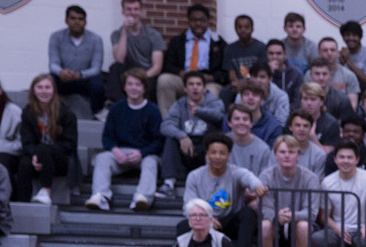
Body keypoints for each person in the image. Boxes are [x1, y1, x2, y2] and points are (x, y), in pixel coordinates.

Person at [89, 70, 162, 212]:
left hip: (145, 154)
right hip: (120, 153)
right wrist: (115, 151)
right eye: (130, 84)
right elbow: (107, 137)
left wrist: (142, 153)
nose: (133, 88)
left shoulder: (153, 110)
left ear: (144, 88)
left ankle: (143, 197)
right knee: (102, 158)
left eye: (138, 85)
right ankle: (101, 196)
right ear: (124, 87)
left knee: (151, 163)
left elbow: (159, 142)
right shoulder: (116, 108)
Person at [261, 135, 319, 247]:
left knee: (303, 226)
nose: (287, 155)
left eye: (292, 152)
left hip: (298, 222)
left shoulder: (310, 178)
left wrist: (292, 216)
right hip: (275, 222)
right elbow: (265, 208)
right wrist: (277, 216)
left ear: (298, 155)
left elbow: (312, 213)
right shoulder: (266, 176)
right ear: (275, 155)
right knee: (265, 225)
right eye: (283, 152)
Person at [13, 75, 76, 206]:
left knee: (43, 149)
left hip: (62, 160)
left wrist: (42, 153)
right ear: (33, 90)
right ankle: (22, 203)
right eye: (40, 87)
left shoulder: (66, 112)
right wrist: (36, 156)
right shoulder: (28, 112)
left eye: (48, 87)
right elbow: (27, 142)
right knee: (24, 163)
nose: (44, 91)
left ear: (54, 90)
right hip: (37, 157)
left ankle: (46, 192)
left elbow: (70, 145)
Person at [162, 70, 226, 188]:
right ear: (185, 89)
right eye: (191, 84)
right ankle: (168, 184)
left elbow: (219, 115)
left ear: (204, 88)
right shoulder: (179, 104)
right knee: (170, 140)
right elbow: (166, 125)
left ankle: (213, 184)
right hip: (187, 145)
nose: (195, 88)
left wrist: (199, 111)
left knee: (215, 139)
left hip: (206, 146)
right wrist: (182, 136)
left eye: (198, 84)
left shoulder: (214, 102)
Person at [49, 5, 107, 114]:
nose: (77, 22)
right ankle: (50, 114)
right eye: (73, 18)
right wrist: (61, 72)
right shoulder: (56, 37)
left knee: (98, 84)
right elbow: (53, 64)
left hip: (84, 80)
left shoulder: (96, 39)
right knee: (48, 81)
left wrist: (79, 74)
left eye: (81, 19)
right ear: (66, 20)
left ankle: (98, 115)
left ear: (85, 22)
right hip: (63, 79)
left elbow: (96, 68)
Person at [109, 0, 165, 107]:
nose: (132, 12)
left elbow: (157, 67)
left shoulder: (153, 35)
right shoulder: (117, 34)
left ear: (141, 12)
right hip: (127, 72)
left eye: (136, 9)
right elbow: (119, 59)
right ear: (123, 12)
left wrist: (140, 77)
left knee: (145, 83)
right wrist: (125, 31)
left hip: (147, 74)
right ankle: (111, 106)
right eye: (129, 9)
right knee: (115, 68)